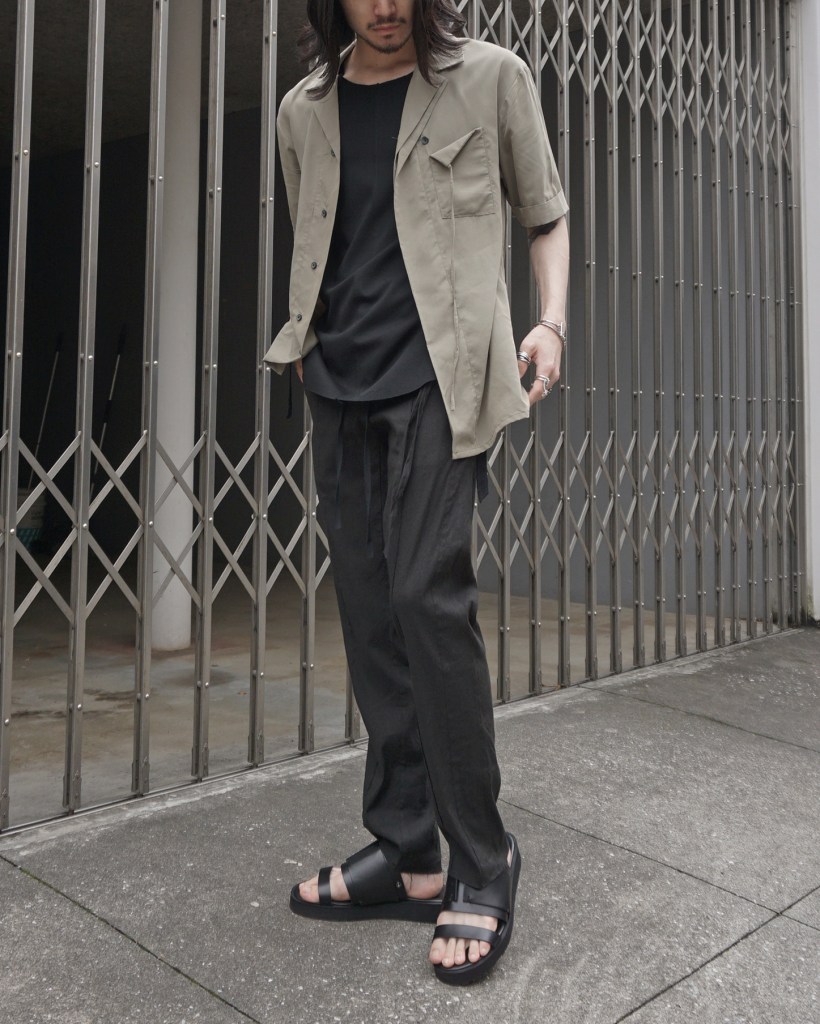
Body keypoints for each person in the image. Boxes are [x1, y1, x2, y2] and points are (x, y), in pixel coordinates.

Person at [264, 0, 569, 985]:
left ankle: (481, 857)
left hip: (446, 382)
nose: (387, 6)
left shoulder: (491, 78)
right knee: (367, 610)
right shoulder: (302, 111)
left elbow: (545, 212)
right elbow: (321, 243)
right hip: (338, 386)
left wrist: (550, 323)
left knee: (425, 597)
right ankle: (407, 850)